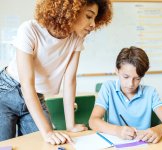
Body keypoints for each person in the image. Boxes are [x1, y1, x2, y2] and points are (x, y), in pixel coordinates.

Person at [0, 0, 112, 145]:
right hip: (6, 92)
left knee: (45, 144)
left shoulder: (76, 39)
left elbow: (70, 80)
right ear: (71, 11)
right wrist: (47, 132)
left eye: (95, 19)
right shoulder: (29, 29)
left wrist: (70, 125)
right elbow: (27, 84)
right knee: (4, 145)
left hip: (37, 96)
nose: (93, 24)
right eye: (89, 16)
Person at [89, 46, 162, 144]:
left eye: (137, 78)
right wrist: (117, 130)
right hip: (115, 144)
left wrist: (159, 129)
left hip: (142, 144)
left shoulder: (150, 92)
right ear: (117, 71)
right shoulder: (108, 88)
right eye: (126, 77)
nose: (131, 84)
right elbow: (93, 121)